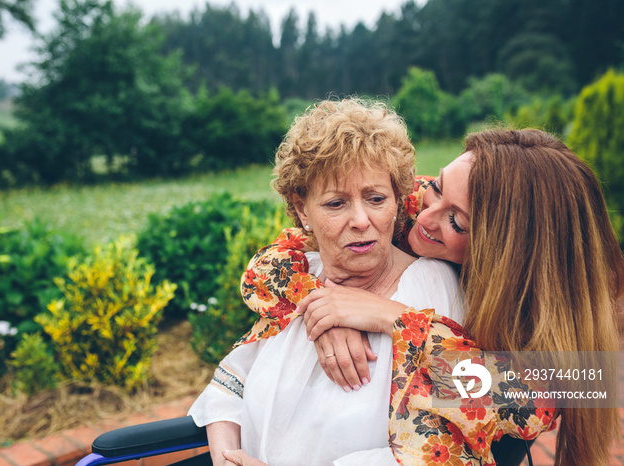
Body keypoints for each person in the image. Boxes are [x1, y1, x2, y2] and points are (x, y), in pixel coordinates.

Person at [238, 128, 624, 465]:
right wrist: (321, 309)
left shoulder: (550, 315)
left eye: (456, 221)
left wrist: (395, 318)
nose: (423, 218)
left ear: (515, 254)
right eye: (434, 188)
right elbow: (276, 258)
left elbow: (526, 397)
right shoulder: (420, 205)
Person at [188, 98, 464, 465]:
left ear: (399, 199)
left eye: (376, 198)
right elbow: (229, 385)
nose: (361, 220)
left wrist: (392, 319)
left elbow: (441, 447)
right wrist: (226, 458)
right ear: (303, 210)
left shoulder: (433, 289)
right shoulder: (300, 279)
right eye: (336, 204)